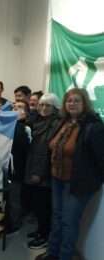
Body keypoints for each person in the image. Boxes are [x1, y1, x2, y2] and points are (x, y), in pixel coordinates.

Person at [36, 88, 104, 260]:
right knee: (57, 218)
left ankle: (64, 256)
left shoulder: (93, 126)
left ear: (85, 104)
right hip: (57, 179)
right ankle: (52, 254)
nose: (72, 104)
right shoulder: (63, 122)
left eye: (76, 101)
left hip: (77, 184)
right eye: (69, 101)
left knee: (68, 223)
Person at [24, 93, 61, 250]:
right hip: (34, 166)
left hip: (44, 172)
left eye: (48, 105)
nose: (44, 108)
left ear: (54, 108)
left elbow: (46, 151)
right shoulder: (38, 121)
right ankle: (40, 231)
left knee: (44, 207)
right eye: (42, 105)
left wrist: (39, 173)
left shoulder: (56, 124)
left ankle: (45, 235)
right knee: (38, 206)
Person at [1, 100, 32, 235]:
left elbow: (26, 149)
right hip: (6, 166)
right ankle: (7, 218)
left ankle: (14, 224)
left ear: (25, 113)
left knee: (15, 198)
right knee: (7, 196)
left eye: (19, 107)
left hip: (18, 168)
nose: (15, 109)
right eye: (14, 107)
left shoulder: (26, 128)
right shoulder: (8, 126)